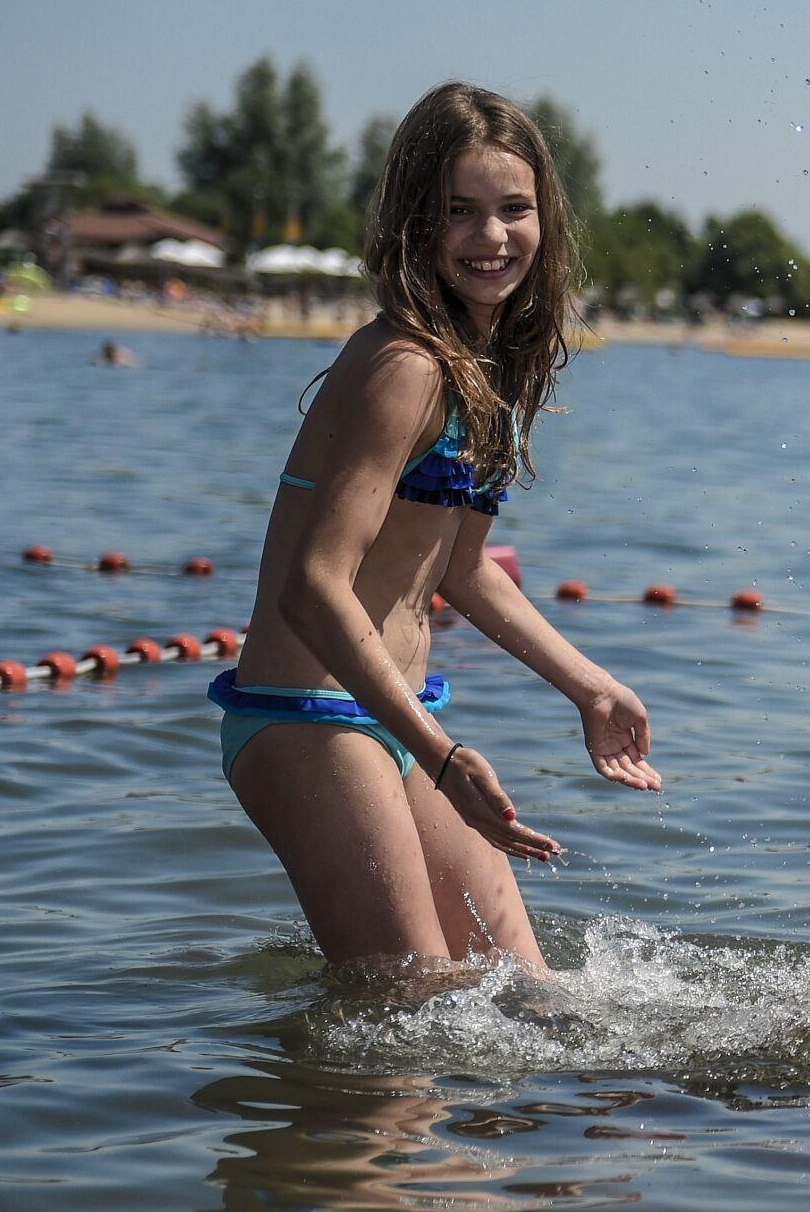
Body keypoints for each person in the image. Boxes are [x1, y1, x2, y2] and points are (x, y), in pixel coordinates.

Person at [210, 82, 661, 979]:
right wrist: (444, 757)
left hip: (404, 719)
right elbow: (313, 585)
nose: (492, 237)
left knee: (525, 993)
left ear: (545, 220)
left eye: (513, 209)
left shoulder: (493, 371)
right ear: (417, 222)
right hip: (307, 718)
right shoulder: (406, 366)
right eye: (461, 211)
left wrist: (591, 688)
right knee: (412, 1024)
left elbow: (463, 569)